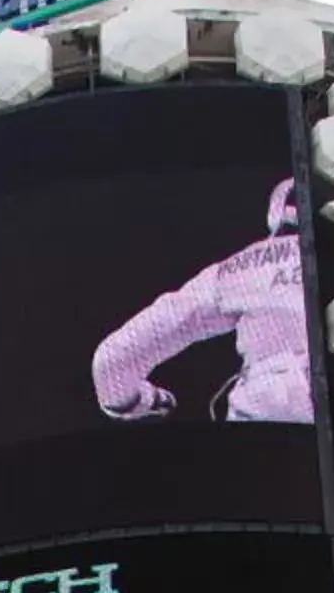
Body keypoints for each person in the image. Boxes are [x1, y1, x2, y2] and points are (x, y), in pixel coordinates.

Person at [92, 178, 315, 425]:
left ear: (276, 214)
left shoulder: (235, 272)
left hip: (261, 424)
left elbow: (112, 359)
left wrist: (148, 401)